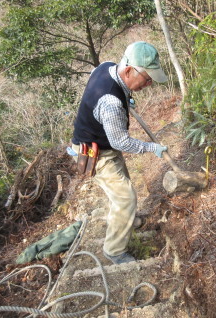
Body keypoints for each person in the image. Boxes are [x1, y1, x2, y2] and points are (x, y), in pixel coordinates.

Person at [71, 41, 168, 264]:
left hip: (104, 143)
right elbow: (121, 142)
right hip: (96, 152)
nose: (149, 83)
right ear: (128, 70)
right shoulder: (110, 103)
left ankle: (126, 219)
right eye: (147, 78)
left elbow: (111, 92)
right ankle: (114, 251)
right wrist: (151, 147)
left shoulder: (106, 67)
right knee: (125, 197)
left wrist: (127, 96)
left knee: (123, 183)